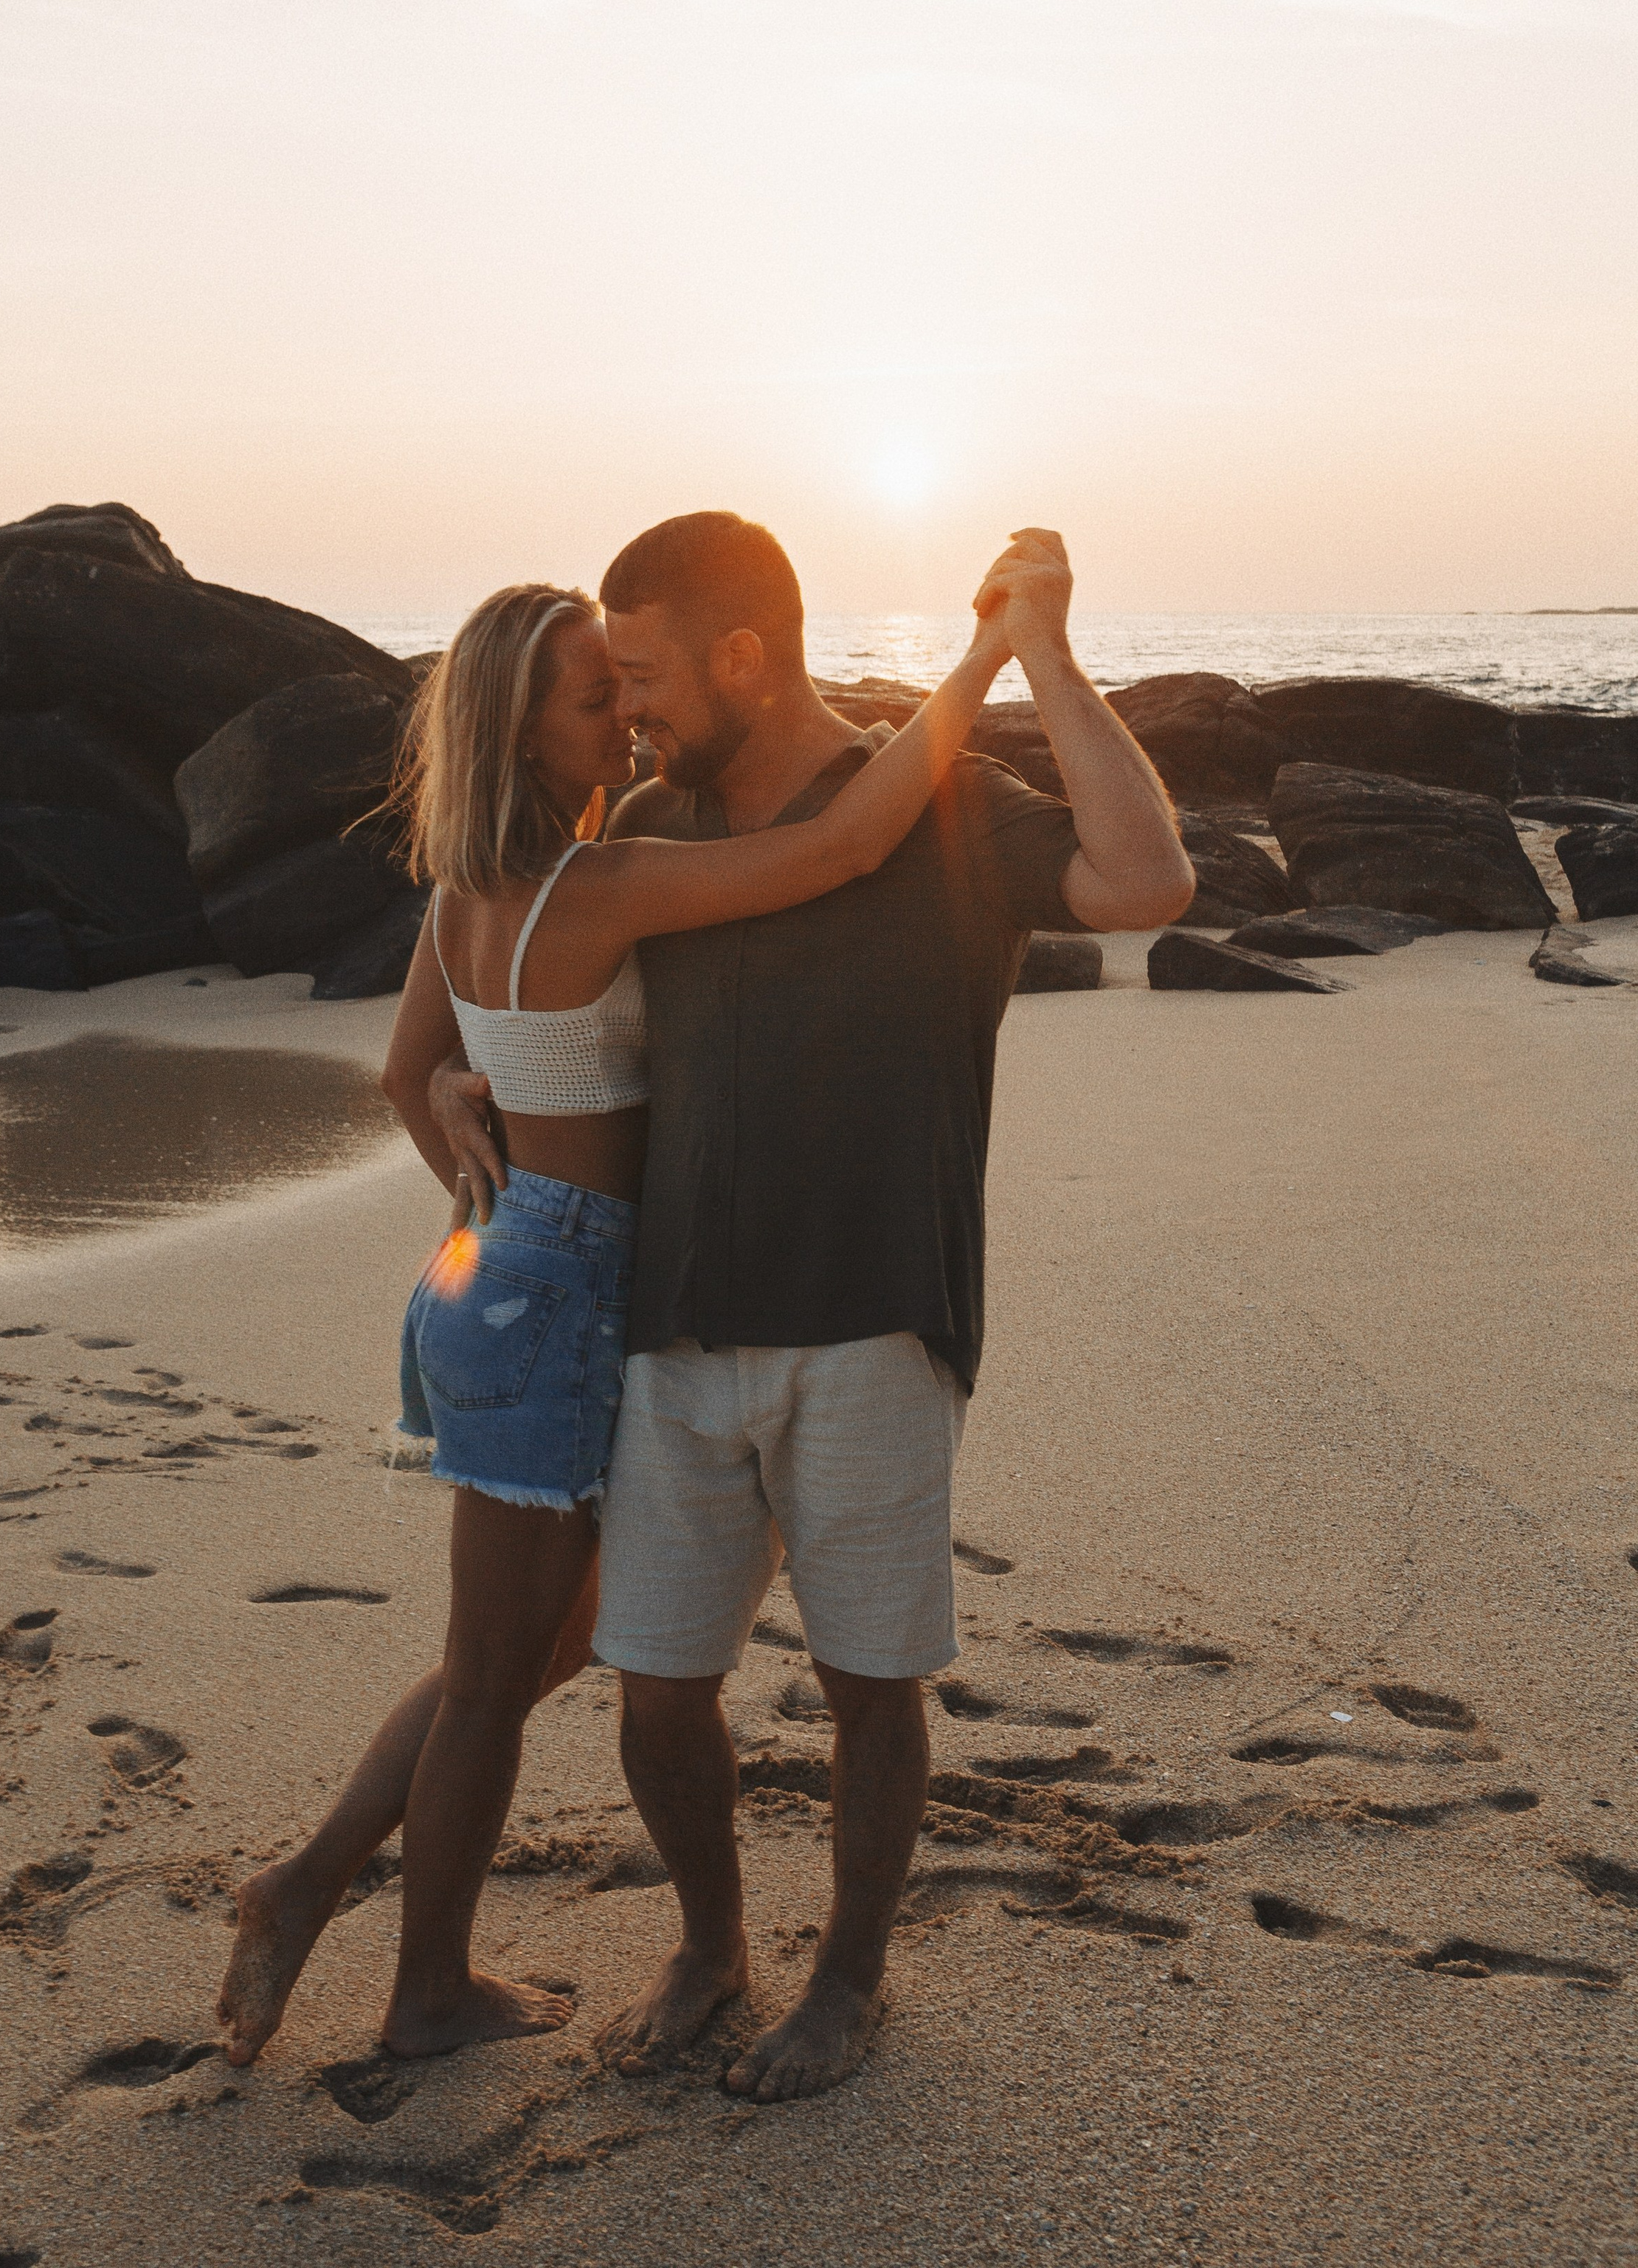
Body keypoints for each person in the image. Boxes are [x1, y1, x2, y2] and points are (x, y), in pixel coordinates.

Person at [215, 537, 1046, 2071]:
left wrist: (486, 1172)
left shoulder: (470, 882)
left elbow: (411, 1075)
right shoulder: (596, 881)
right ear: (520, 727)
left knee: (548, 1654)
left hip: (501, 1278)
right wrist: (986, 658)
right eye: (597, 700)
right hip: (573, 1295)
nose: (623, 723)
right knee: (494, 1682)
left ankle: (320, 1880)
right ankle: (396, 1970)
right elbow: (842, 847)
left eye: (625, 688)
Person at [428, 516, 1194, 2102]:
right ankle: (712, 1945)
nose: (626, 712)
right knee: (655, 1694)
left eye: (640, 674)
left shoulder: (938, 801)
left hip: (870, 1312)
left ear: (738, 657)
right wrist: (456, 1076)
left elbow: (1144, 881)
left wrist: (1035, 655)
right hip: (669, 1323)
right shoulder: (649, 819)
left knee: (864, 1684)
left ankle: (847, 1980)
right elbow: (510, 975)